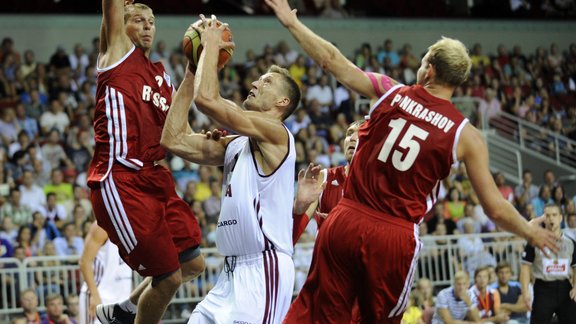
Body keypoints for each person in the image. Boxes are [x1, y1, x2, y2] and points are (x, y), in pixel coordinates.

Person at [265, 0, 559, 322]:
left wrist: (292, 23)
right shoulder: (467, 136)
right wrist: (529, 232)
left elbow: (332, 61)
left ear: (429, 68)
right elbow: (495, 208)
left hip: (346, 218)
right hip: (393, 235)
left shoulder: (392, 92)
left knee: (320, 314)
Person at [160, 15, 301, 324]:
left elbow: (207, 100)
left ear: (282, 101)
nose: (254, 83)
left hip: (263, 270)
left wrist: (210, 45)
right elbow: (173, 139)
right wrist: (191, 71)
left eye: (266, 83)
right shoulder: (237, 144)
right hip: (230, 272)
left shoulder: (278, 134)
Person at [87, 1, 205, 323]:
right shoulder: (117, 56)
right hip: (121, 178)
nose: (148, 26)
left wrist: (212, 141)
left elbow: (179, 132)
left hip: (155, 179)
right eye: (138, 20)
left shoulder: (161, 77)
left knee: (193, 264)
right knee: (169, 279)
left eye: (151, 21)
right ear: (120, 28)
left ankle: (124, 310)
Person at [292, 119, 364, 242]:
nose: (352, 138)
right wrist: (298, 209)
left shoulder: (380, 186)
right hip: (325, 259)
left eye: (360, 134)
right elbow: (290, 237)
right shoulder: (324, 178)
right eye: (349, 133)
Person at [520, 203, 576, 324]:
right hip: (543, 289)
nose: (551, 219)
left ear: (561, 218)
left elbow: (575, 267)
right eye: (547, 215)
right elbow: (525, 267)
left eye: (554, 215)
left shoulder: (571, 243)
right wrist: (525, 292)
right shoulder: (534, 242)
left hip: (565, 288)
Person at [79, 222, 132, 324]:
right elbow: (84, 262)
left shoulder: (132, 223)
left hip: (122, 298)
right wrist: (95, 296)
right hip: (100, 295)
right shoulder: (101, 226)